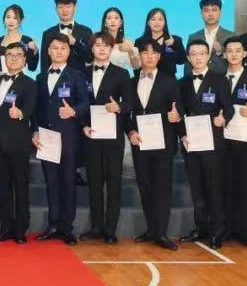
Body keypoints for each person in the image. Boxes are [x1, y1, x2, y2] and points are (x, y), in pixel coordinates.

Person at [31, 35, 90, 245]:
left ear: (68, 51)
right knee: (52, 183)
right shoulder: (40, 77)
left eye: (62, 48)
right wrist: (34, 132)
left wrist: (73, 111)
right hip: (46, 138)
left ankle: (67, 228)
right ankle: (53, 225)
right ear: (48, 51)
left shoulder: (77, 75)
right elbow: (36, 109)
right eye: (55, 48)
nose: (58, 51)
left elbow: (85, 102)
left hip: (69, 137)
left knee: (67, 182)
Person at [126, 41, 183, 251]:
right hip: (140, 143)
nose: (149, 56)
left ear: (159, 57)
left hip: (163, 144)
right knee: (145, 187)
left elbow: (178, 109)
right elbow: (126, 113)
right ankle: (151, 229)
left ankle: (161, 233)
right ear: (139, 56)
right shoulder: (131, 82)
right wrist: (130, 131)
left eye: (154, 53)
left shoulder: (170, 81)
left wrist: (177, 117)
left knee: (162, 189)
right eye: (145, 52)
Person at [177, 40, 234, 249]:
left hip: (213, 141)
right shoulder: (182, 83)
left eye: (202, 53)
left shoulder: (219, 79)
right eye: (194, 54)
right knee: (196, 187)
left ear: (208, 56)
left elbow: (229, 108)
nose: (198, 57)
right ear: (188, 58)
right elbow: (178, 113)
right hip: (191, 142)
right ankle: (201, 228)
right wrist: (182, 134)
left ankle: (217, 232)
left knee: (214, 187)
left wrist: (223, 118)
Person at [80, 32, 132, 243]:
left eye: (106, 46)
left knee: (113, 183)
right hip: (90, 135)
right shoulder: (82, 73)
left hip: (113, 137)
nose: (101, 49)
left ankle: (110, 230)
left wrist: (119, 106)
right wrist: (83, 125)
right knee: (94, 182)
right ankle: (96, 227)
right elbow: (78, 104)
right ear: (92, 48)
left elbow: (130, 102)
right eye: (98, 45)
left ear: (111, 49)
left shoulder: (122, 73)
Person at [0, 43, 37, 243]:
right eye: (10, 54)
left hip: (19, 143)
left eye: (18, 55)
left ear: (25, 59)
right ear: (4, 58)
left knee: (21, 187)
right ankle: (5, 227)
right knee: (3, 188)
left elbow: (32, 107)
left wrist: (21, 113)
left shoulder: (30, 83)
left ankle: (20, 230)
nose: (14, 58)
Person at [219, 36, 247, 247]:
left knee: (244, 185)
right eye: (229, 51)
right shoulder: (218, 77)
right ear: (224, 54)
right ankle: (226, 229)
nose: (234, 54)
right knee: (225, 185)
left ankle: (244, 232)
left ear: (245, 53)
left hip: (245, 141)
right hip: (222, 140)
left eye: (238, 50)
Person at [40, 0, 92, 72]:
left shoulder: (86, 31)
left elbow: (90, 58)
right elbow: (44, 63)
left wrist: (75, 43)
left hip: (79, 78)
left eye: (68, 6)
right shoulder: (48, 33)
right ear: (56, 9)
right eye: (60, 7)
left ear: (75, 8)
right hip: (55, 77)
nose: (64, 10)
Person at [185, 0, 234, 76]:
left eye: (214, 10)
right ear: (201, 13)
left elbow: (237, 61)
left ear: (220, 13)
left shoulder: (231, 36)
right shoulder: (193, 37)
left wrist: (221, 51)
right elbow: (188, 65)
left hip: (224, 80)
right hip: (199, 80)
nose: (210, 14)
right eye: (206, 10)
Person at [0, 4, 39, 76]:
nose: (11, 21)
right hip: (1, 81)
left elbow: (32, 67)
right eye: (8, 17)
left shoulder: (26, 41)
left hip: (20, 81)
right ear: (4, 19)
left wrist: (35, 50)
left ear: (21, 20)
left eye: (15, 18)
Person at [134, 7, 185, 77]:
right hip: (146, 80)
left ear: (165, 22)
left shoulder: (175, 40)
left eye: (160, 19)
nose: (157, 22)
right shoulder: (140, 41)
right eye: (153, 19)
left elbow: (181, 60)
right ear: (148, 22)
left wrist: (173, 45)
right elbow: (136, 65)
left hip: (169, 81)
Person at [100, 7, 140, 74]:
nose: (112, 21)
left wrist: (130, 51)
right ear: (105, 23)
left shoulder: (128, 43)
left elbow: (137, 66)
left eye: (116, 18)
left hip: (121, 78)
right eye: (109, 18)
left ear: (121, 22)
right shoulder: (97, 42)